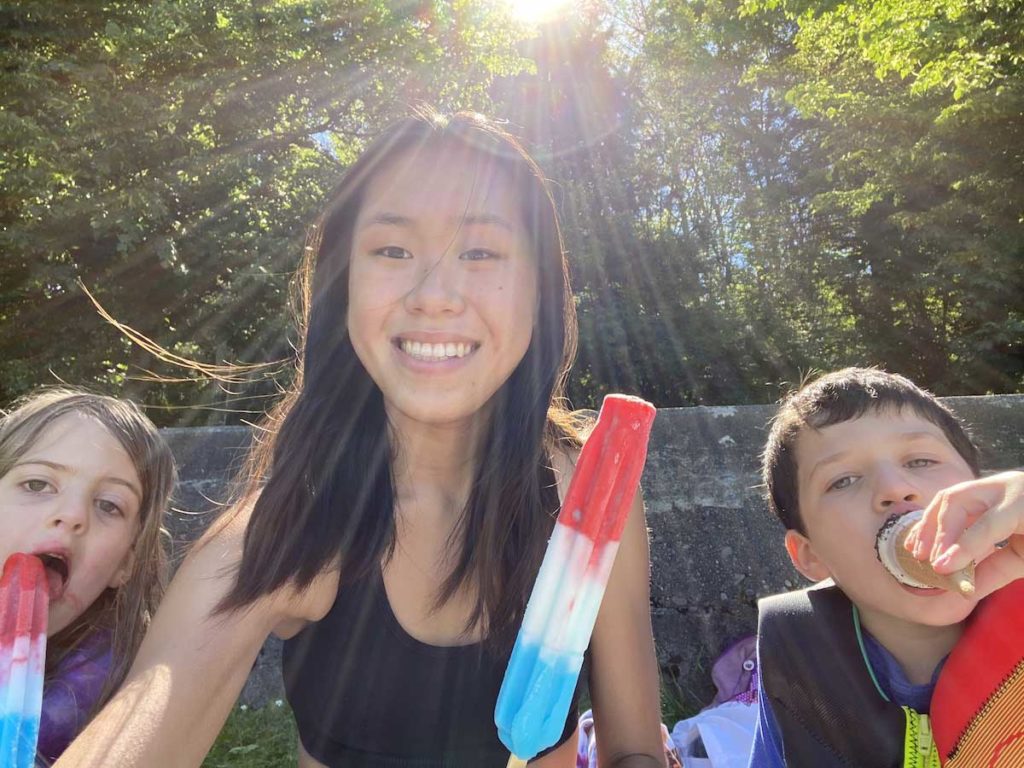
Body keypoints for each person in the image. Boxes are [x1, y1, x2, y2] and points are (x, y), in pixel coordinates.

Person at [55, 111, 666, 768]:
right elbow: (145, 715)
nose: (435, 295)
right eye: (393, 251)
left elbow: (634, 747)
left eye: (480, 251)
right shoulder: (290, 533)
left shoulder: (590, 490)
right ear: (344, 284)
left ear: (540, 288)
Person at [747, 367, 1024, 767]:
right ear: (810, 555)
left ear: (978, 490)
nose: (894, 488)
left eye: (922, 460)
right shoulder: (800, 665)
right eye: (842, 481)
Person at [0, 388, 175, 765]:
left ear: (125, 564)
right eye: (37, 484)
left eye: (109, 505)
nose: (73, 514)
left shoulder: (129, 722)